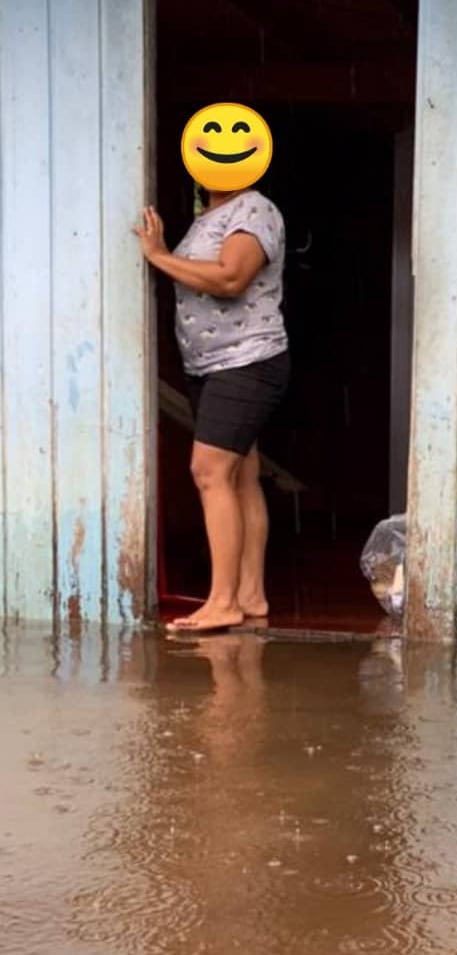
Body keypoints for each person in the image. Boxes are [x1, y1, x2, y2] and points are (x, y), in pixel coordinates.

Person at [133, 189, 289, 634]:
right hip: (211, 365)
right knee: (241, 474)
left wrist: (159, 256)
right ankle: (250, 594)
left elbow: (230, 278)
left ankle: (222, 602)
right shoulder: (211, 214)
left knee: (209, 471)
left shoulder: (254, 207)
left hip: (246, 362)